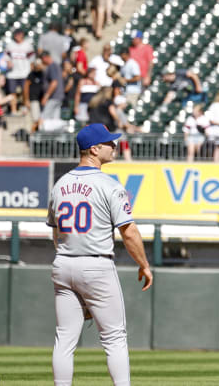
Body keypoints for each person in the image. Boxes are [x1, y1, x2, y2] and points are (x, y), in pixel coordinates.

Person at [48, 123, 153, 386]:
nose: (114, 146)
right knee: (114, 337)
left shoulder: (60, 184)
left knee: (64, 338)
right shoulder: (110, 185)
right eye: (109, 143)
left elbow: (56, 231)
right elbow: (129, 232)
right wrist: (144, 265)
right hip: (96, 265)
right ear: (94, 149)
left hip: (63, 263)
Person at [4, 29, 35, 98]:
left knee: (25, 91)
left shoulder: (28, 45)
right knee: (12, 93)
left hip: (24, 72)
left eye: (19, 34)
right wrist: (8, 62)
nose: (18, 36)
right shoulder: (10, 45)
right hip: (13, 73)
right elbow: (6, 57)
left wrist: (31, 70)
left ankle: (25, 107)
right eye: (16, 35)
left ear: (22, 35)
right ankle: (13, 108)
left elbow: (32, 59)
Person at [41, 52, 65, 130]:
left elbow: (54, 83)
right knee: (55, 121)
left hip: (53, 97)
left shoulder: (52, 66)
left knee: (44, 119)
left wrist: (46, 96)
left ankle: (42, 139)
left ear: (45, 57)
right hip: (58, 97)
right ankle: (54, 139)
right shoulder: (56, 66)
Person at [23, 59, 46, 131]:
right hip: (33, 99)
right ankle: (32, 136)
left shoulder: (43, 74)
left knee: (40, 119)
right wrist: (26, 100)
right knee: (36, 120)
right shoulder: (31, 74)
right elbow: (26, 87)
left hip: (42, 100)